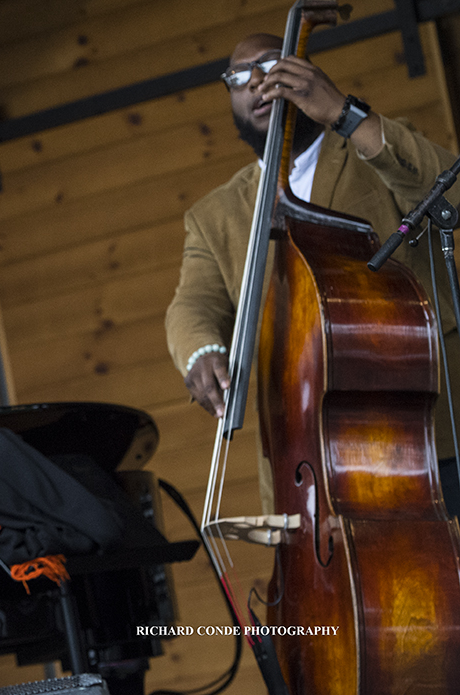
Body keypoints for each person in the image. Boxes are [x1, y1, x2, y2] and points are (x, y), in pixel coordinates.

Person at [165, 32, 460, 510]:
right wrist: (201, 350)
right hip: (305, 460)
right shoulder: (214, 215)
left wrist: (344, 113)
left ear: (302, 74)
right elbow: (193, 302)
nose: (257, 81)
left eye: (271, 63)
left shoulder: (372, 149)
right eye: (239, 77)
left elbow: (451, 196)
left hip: (424, 424)